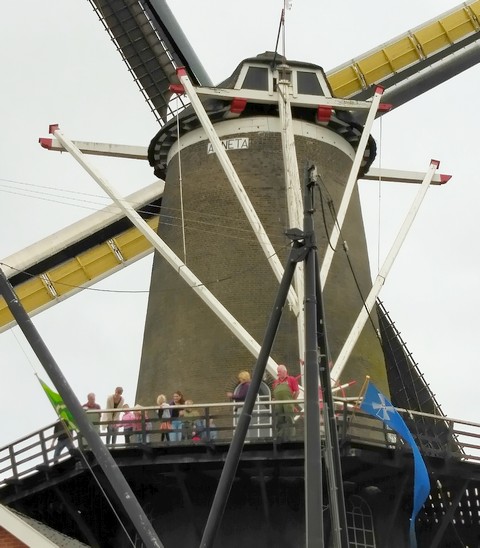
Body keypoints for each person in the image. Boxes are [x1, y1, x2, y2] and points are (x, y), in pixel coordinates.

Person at [272, 364, 299, 440]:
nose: (278, 373)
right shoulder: (275, 382)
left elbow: (297, 392)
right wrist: (274, 399)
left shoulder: (291, 379)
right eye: (278, 371)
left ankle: (291, 438)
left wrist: (292, 402)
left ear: (285, 371)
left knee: (289, 419)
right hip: (278, 405)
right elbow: (275, 394)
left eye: (279, 371)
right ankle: (280, 437)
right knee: (279, 420)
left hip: (288, 404)